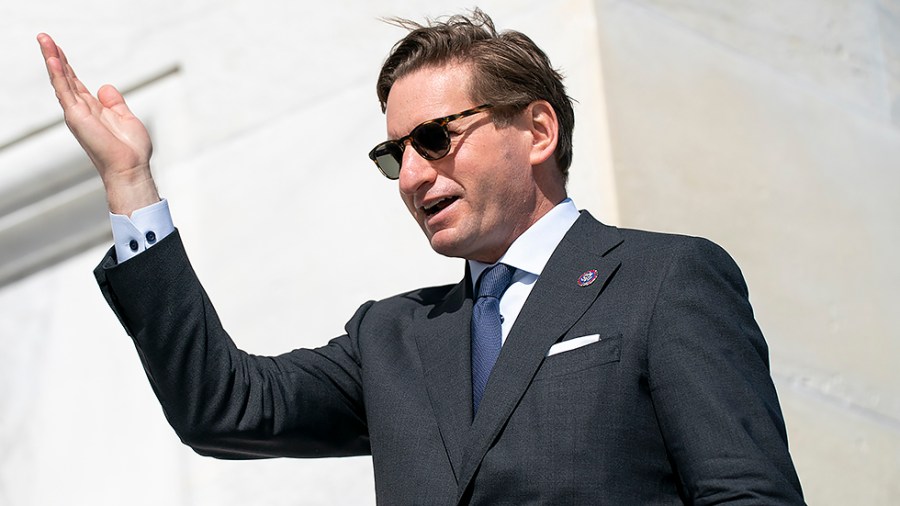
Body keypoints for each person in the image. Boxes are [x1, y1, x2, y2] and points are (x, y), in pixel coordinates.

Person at [38, 9, 805, 505]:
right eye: (393, 154)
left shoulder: (664, 279)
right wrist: (130, 182)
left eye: (436, 138)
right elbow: (223, 406)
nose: (411, 177)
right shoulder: (392, 340)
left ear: (537, 131)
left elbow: (746, 496)